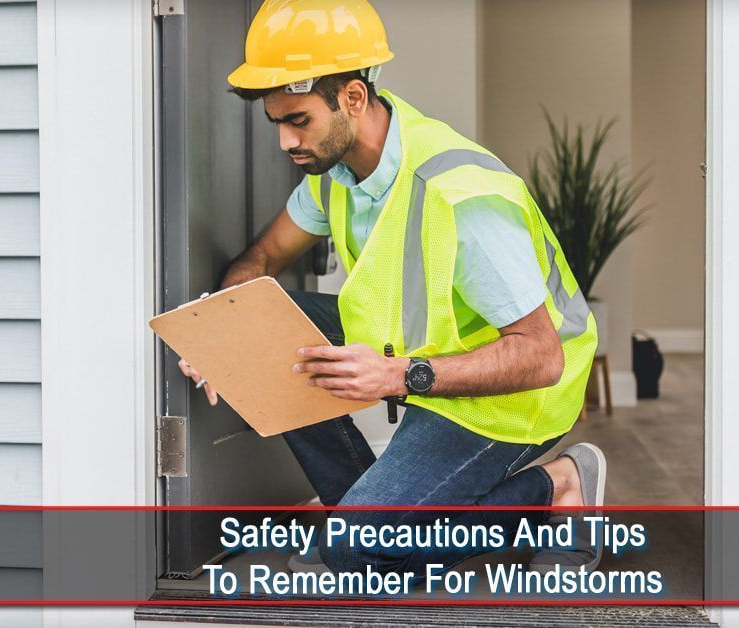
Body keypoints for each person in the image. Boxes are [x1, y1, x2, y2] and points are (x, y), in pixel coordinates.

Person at [178, 0, 606, 576]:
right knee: (264, 322)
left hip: (512, 396)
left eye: (298, 120)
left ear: (353, 98)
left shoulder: (459, 194)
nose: (284, 141)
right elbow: (263, 257)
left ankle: (558, 486)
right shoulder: (335, 174)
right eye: (277, 122)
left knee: (352, 551)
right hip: (428, 362)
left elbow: (541, 356)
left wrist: (401, 375)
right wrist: (223, 328)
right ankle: (373, 513)